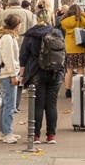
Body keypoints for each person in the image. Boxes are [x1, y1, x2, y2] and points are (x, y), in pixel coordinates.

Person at [19, 9, 64, 144]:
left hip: (36, 71)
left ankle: (35, 135)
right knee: (51, 105)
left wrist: (22, 74)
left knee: (37, 105)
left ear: (37, 19)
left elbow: (23, 55)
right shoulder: (57, 32)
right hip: (55, 71)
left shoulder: (31, 34)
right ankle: (51, 135)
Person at [0, 0, 36, 109]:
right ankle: (14, 104)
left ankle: (9, 104)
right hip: (25, 50)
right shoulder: (29, 14)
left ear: (9, 2)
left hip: (5, 50)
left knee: (7, 79)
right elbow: (35, 32)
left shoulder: (1, 14)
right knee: (20, 77)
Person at [0, 13, 22, 143]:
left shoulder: (4, 36)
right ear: (16, 25)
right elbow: (9, 58)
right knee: (10, 104)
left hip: (6, 73)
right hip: (8, 73)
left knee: (6, 103)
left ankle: (4, 131)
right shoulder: (7, 38)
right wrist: (13, 74)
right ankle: (7, 132)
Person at [60, 4, 85, 98]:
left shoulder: (65, 20)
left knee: (69, 70)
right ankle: (79, 89)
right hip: (81, 47)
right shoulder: (81, 18)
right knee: (80, 69)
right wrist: (83, 15)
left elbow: (64, 28)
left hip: (69, 48)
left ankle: (68, 90)